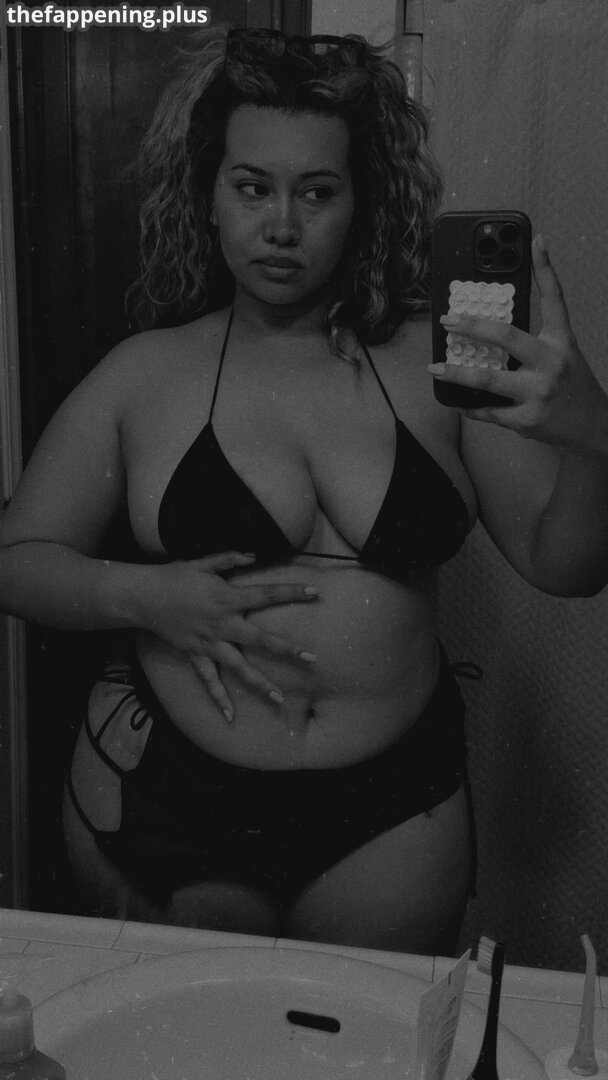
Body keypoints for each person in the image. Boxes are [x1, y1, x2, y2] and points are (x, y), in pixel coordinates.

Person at [1, 27, 608, 955]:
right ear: (208, 195)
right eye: (253, 187)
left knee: (377, 1030)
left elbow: (566, 567)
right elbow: (16, 560)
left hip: (391, 809)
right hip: (169, 793)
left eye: (318, 191)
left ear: (362, 203)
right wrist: (145, 597)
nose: (282, 224)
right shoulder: (145, 374)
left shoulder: (445, 367)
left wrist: (593, 435)